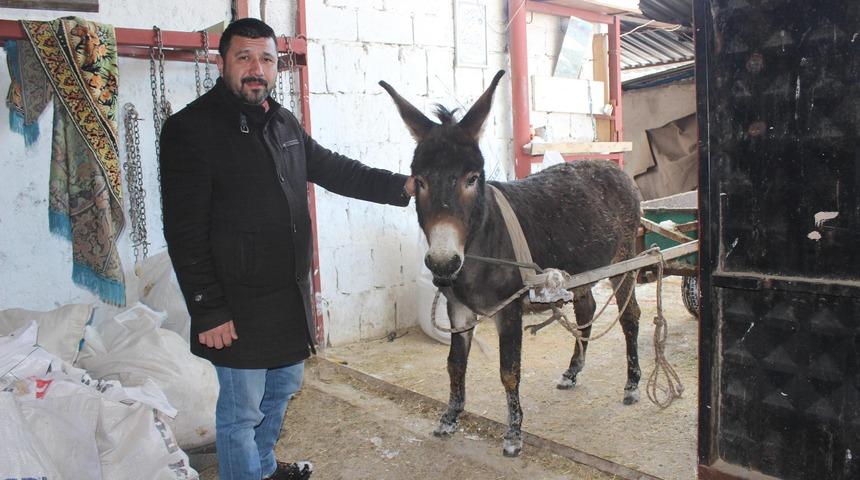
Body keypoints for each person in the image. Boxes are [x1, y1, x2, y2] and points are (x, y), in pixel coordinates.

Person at [159, 18, 414, 480]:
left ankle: (261, 468)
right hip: (234, 305)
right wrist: (208, 308)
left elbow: (338, 170)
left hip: (285, 297)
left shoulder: (283, 121)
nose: (256, 68)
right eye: (244, 58)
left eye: (267, 59)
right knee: (241, 413)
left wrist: (406, 185)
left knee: (282, 388)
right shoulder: (190, 129)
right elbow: (184, 230)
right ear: (223, 63)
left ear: (278, 66)